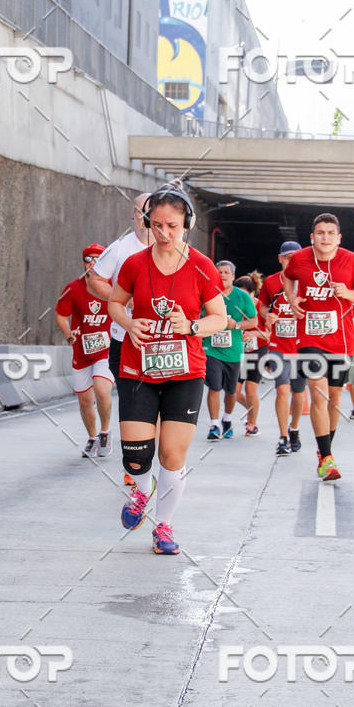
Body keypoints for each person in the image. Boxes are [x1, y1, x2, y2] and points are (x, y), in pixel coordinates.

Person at [108, 187, 226, 554]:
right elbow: (115, 302)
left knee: (172, 455)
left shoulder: (201, 266)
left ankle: (164, 527)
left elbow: (219, 319)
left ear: (186, 224)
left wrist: (190, 327)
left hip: (185, 372)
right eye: (156, 225)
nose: (163, 233)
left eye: (172, 226)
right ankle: (142, 492)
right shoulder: (133, 264)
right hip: (138, 368)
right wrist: (128, 324)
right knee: (136, 457)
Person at [283, 213, 354, 481]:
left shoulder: (352, 261)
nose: (325, 237)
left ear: (338, 238)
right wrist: (291, 298)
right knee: (319, 394)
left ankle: (326, 451)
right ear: (312, 237)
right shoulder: (300, 258)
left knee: (335, 398)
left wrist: (350, 294)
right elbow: (288, 277)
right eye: (320, 233)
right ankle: (326, 458)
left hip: (342, 340)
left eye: (330, 233)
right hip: (310, 339)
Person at [87, 193, 153, 484]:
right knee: (132, 402)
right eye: (138, 213)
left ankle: (155, 461)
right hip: (123, 339)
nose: (143, 218)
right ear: (133, 215)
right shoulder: (121, 247)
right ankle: (134, 466)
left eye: (148, 212)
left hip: (163, 343)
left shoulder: (174, 248)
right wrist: (121, 301)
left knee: (158, 406)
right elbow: (95, 280)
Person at [55, 245, 114, 458]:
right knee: (84, 400)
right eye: (89, 259)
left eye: (98, 259)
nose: (93, 263)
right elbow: (61, 315)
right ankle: (92, 437)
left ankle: (105, 432)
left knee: (101, 389)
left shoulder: (113, 287)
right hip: (81, 352)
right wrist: (68, 334)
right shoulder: (73, 288)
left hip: (107, 351)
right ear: (83, 262)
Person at [259, 241, 306, 455]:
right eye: (286, 257)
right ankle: (283, 437)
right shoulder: (270, 282)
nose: (290, 260)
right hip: (279, 344)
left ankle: (294, 428)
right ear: (280, 259)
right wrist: (267, 316)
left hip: (302, 346)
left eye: (294, 256)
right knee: (282, 389)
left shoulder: (307, 283)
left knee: (298, 393)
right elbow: (263, 305)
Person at [203, 260, 256, 440]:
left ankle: (227, 419)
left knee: (231, 391)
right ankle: (214, 424)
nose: (223, 275)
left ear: (233, 277)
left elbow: (253, 321)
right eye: (219, 272)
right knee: (214, 387)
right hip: (211, 349)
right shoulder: (207, 293)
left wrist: (237, 324)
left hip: (233, 351)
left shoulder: (242, 297)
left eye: (226, 272)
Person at [234, 272, 270, 436]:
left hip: (258, 350)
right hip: (240, 351)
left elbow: (270, 335)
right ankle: (251, 409)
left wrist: (253, 334)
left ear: (252, 293)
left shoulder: (260, 307)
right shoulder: (234, 306)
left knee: (250, 388)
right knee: (233, 391)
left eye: (244, 293)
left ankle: (252, 424)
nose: (240, 297)